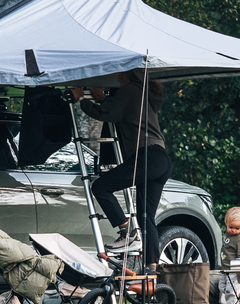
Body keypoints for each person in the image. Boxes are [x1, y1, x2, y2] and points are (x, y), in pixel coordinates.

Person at [70, 70, 173, 270]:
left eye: (121, 72)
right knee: (145, 216)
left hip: (146, 156)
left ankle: (127, 232)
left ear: (129, 74)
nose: (117, 76)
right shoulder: (145, 93)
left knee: (100, 187)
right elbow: (121, 109)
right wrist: (103, 99)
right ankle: (152, 268)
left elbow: (107, 114)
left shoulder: (130, 91)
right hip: (161, 158)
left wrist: (80, 100)